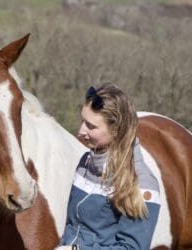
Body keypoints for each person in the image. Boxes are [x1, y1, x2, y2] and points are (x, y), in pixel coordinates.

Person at [56, 84, 160, 250]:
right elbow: (74, 228)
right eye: (82, 121)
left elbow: (132, 248)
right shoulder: (85, 162)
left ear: (116, 130)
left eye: (91, 126)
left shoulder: (142, 183)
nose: (80, 131)